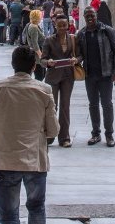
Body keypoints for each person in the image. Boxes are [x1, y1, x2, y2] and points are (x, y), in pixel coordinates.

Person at [0, 45, 59, 224]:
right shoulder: (44, 90)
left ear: (12, 64)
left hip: (4, 160)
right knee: (37, 208)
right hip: (34, 160)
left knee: (8, 215)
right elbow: (54, 130)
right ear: (34, 66)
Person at [74, 6, 115, 147]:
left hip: (105, 74)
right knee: (93, 105)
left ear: (96, 15)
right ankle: (96, 134)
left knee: (107, 104)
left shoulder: (107, 31)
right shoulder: (81, 34)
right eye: (87, 15)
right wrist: (77, 59)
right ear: (84, 17)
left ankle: (109, 134)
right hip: (90, 75)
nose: (90, 18)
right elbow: (81, 53)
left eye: (92, 15)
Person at [41, 14, 78, 147]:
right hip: (53, 77)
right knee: (52, 107)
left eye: (64, 25)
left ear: (68, 25)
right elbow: (42, 60)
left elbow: (79, 55)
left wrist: (76, 60)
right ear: (55, 25)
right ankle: (50, 136)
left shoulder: (73, 39)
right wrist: (48, 62)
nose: (62, 27)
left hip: (68, 76)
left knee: (65, 107)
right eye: (60, 25)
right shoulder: (49, 40)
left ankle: (64, 138)